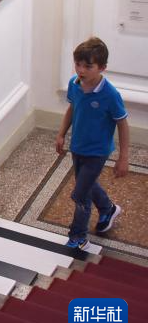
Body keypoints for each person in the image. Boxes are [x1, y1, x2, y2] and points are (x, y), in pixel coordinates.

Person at [55, 36, 129, 250]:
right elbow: (72, 109)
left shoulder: (110, 95)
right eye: (78, 64)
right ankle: (108, 208)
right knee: (85, 184)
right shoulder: (74, 84)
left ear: (102, 68)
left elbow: (123, 124)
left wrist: (123, 158)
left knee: (81, 194)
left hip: (97, 152)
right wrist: (61, 134)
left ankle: (78, 236)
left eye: (88, 66)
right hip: (77, 146)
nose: (81, 70)